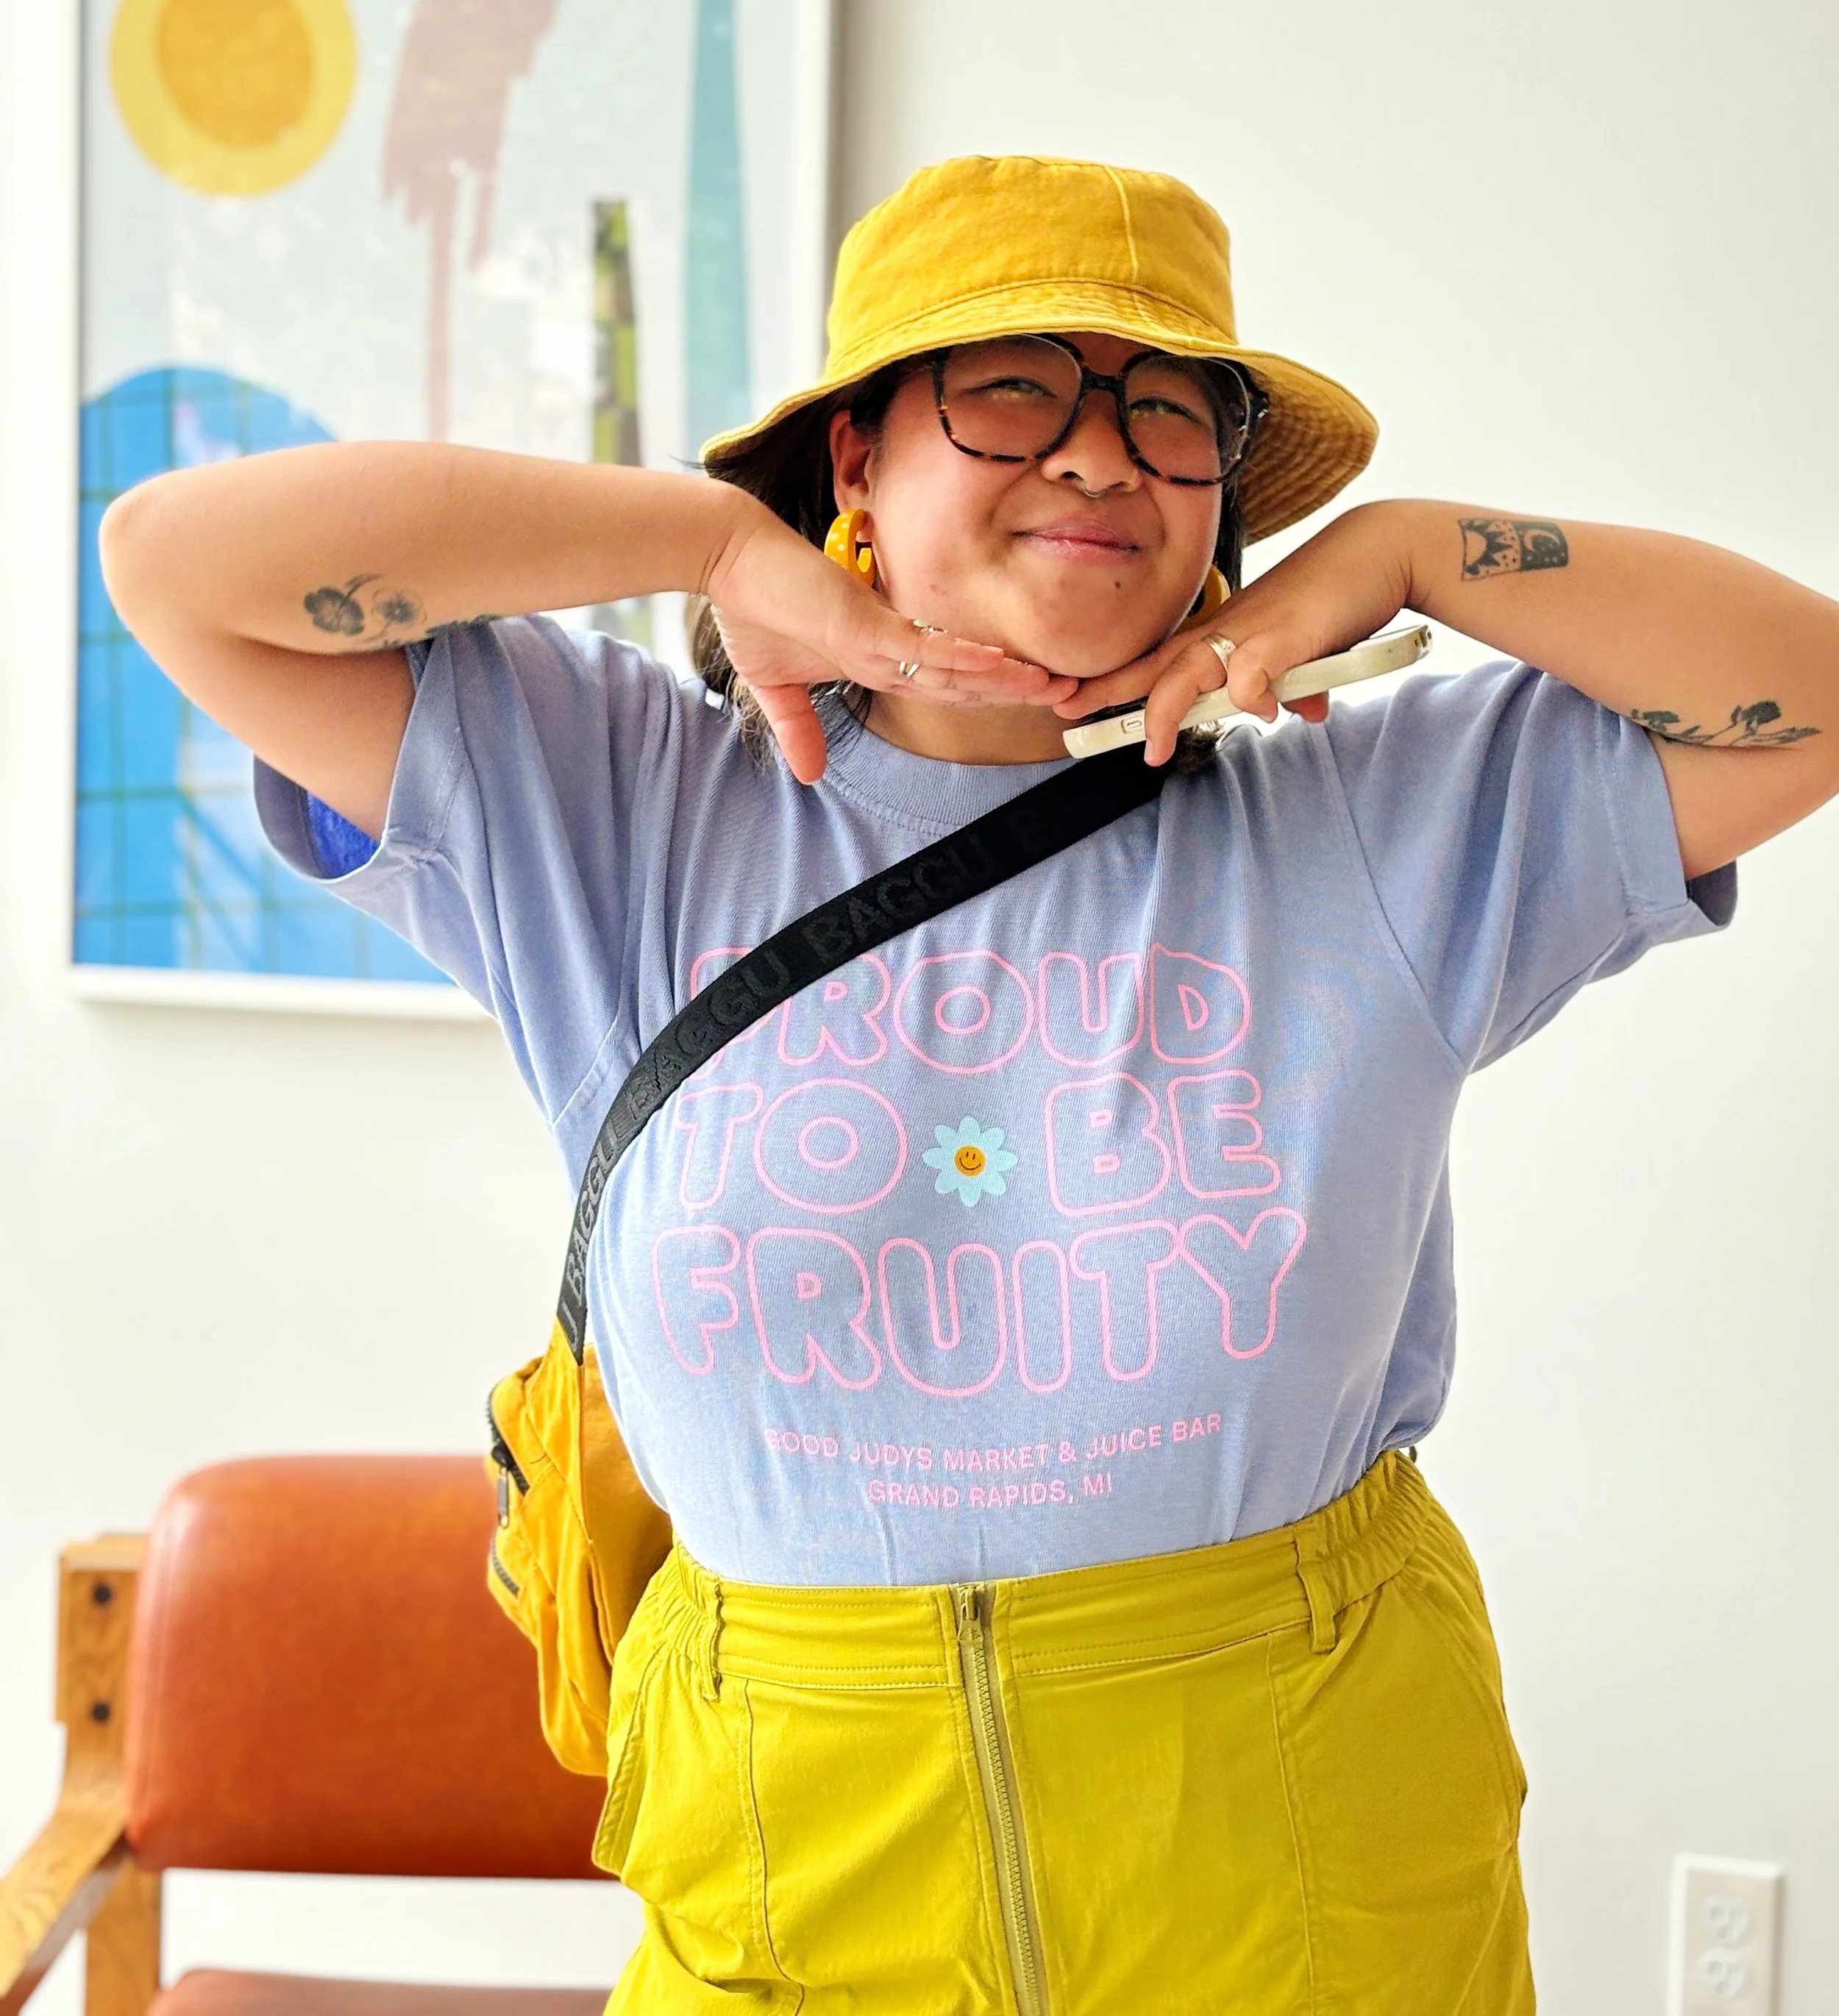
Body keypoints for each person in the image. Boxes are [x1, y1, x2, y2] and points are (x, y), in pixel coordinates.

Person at [102, 157, 1839, 2015]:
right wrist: (698, 541)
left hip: (1307, 1870)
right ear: (854, 460)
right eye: (1008, 388)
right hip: (788, 1876)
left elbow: (1801, 693)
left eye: (1168, 412)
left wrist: (1406, 548)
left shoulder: (1379, 823)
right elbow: (180, 568)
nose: (1100, 457)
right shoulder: (614, 809)